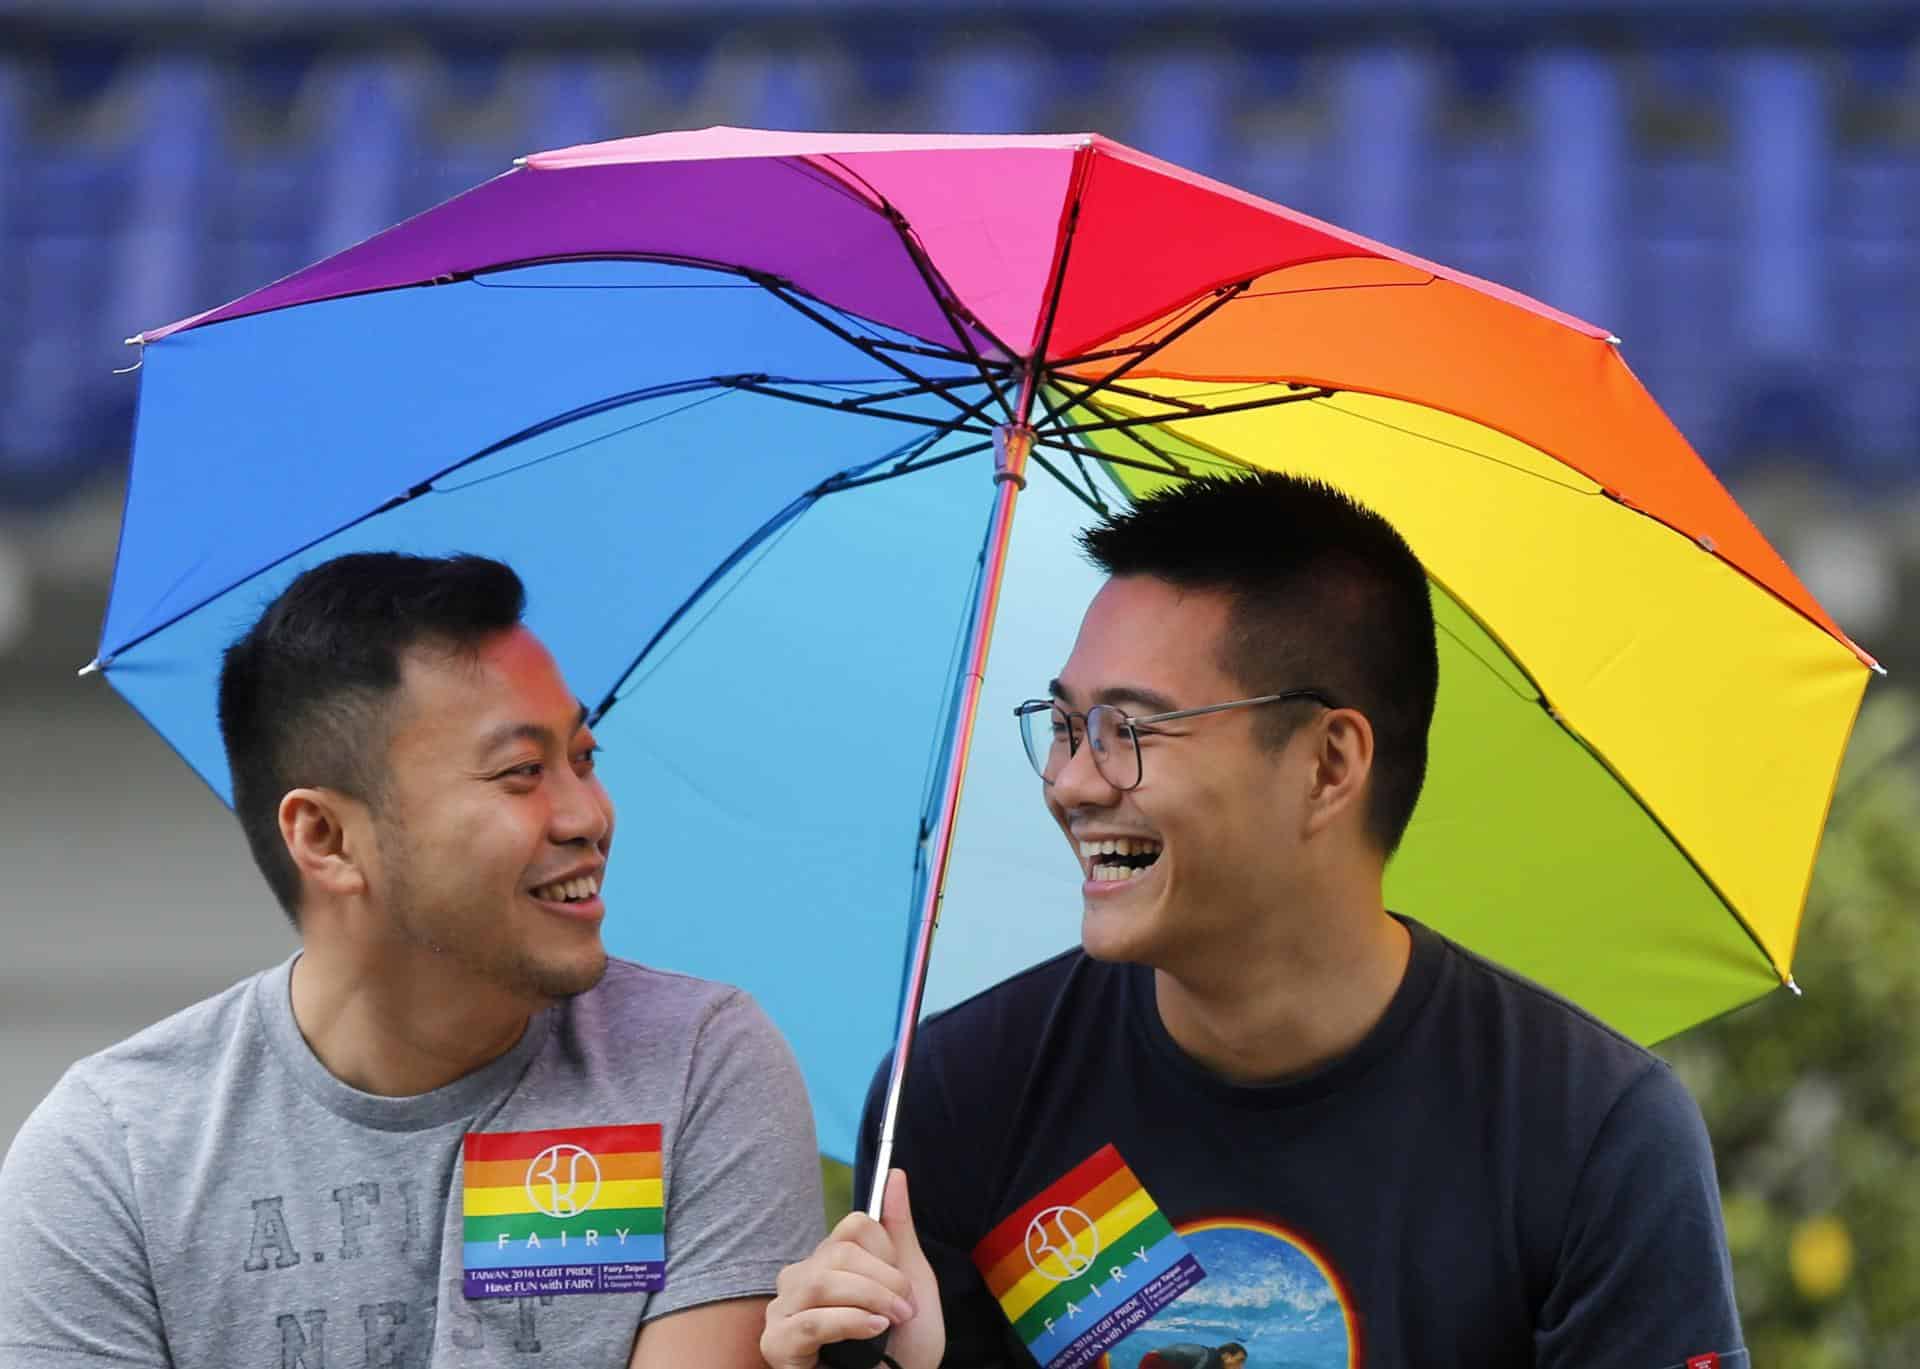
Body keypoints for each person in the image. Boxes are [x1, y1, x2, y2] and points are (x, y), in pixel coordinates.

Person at [761, 472, 1747, 1369]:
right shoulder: (956, 1096)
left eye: (1128, 732)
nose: (1068, 782)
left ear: (1328, 765)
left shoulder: (1593, 1136)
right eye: (1063, 726)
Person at [0, 552, 822, 1368]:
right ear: (325, 837)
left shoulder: (696, 1064)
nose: (586, 816)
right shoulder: (113, 1154)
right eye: (522, 772)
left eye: (583, 757)